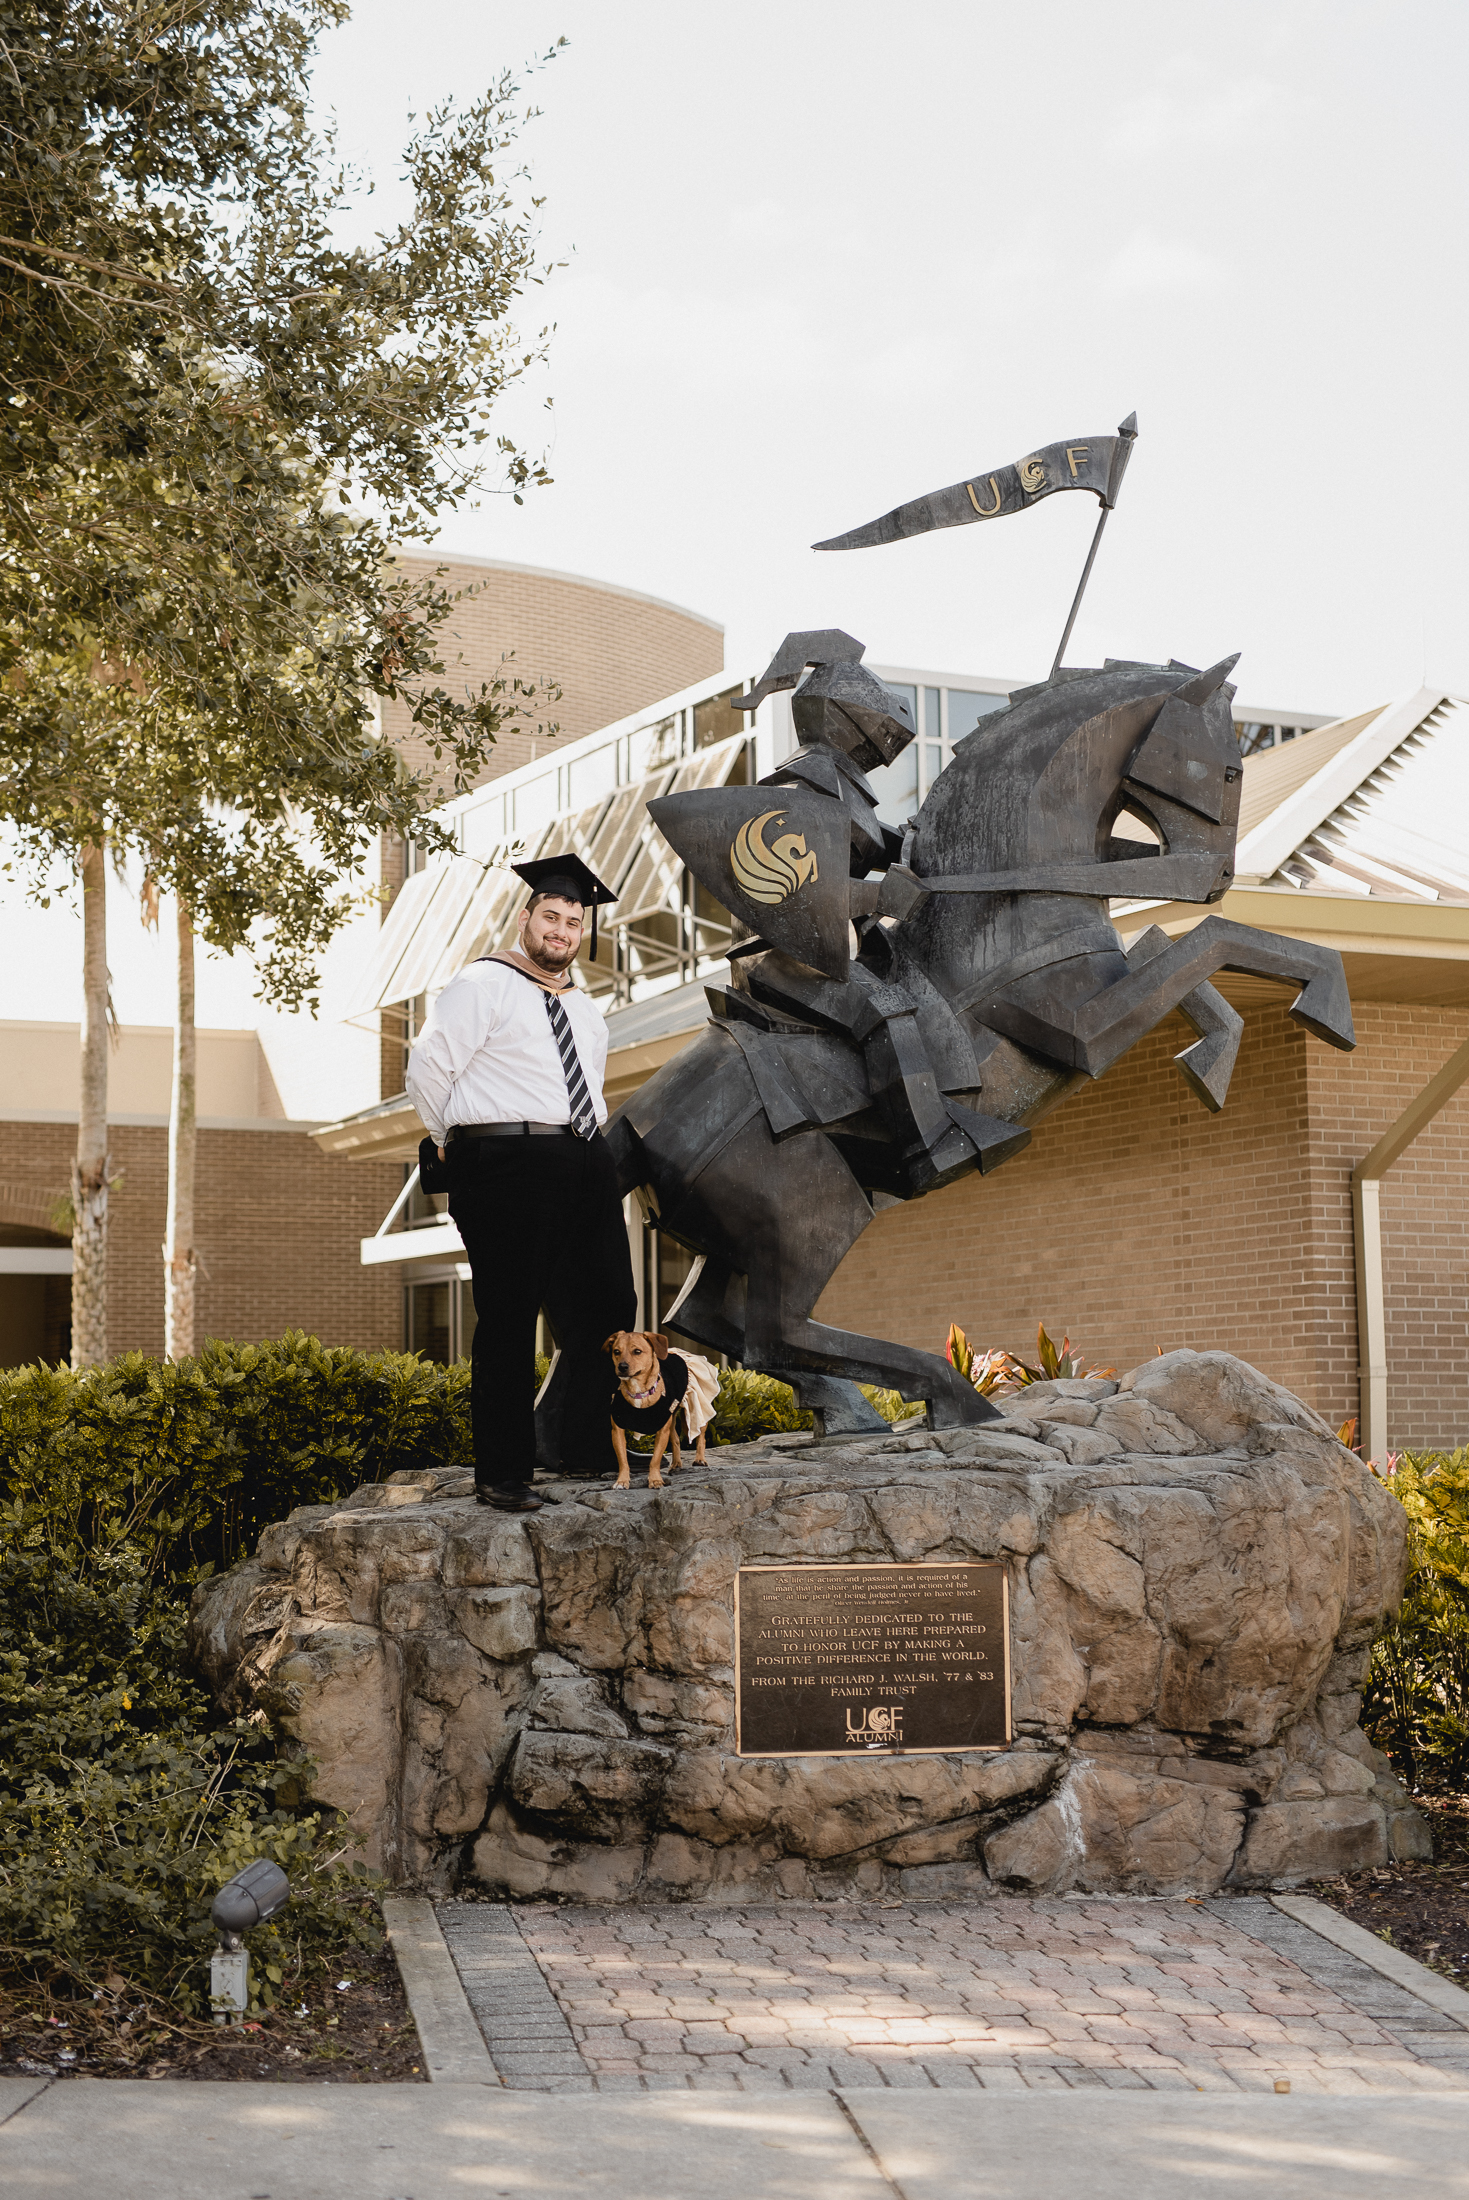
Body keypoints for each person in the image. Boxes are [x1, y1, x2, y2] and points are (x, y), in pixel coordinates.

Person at [404, 854, 636, 1512]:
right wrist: (451, 1144)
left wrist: (593, 1155)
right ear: (525, 918)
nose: (561, 930)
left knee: (609, 1308)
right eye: (551, 917)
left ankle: (584, 1449)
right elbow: (429, 1068)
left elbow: (586, 1088)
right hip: (505, 1161)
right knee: (508, 1318)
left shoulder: (587, 1010)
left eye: (573, 921)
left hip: (583, 1159)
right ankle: (502, 1474)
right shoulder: (482, 984)